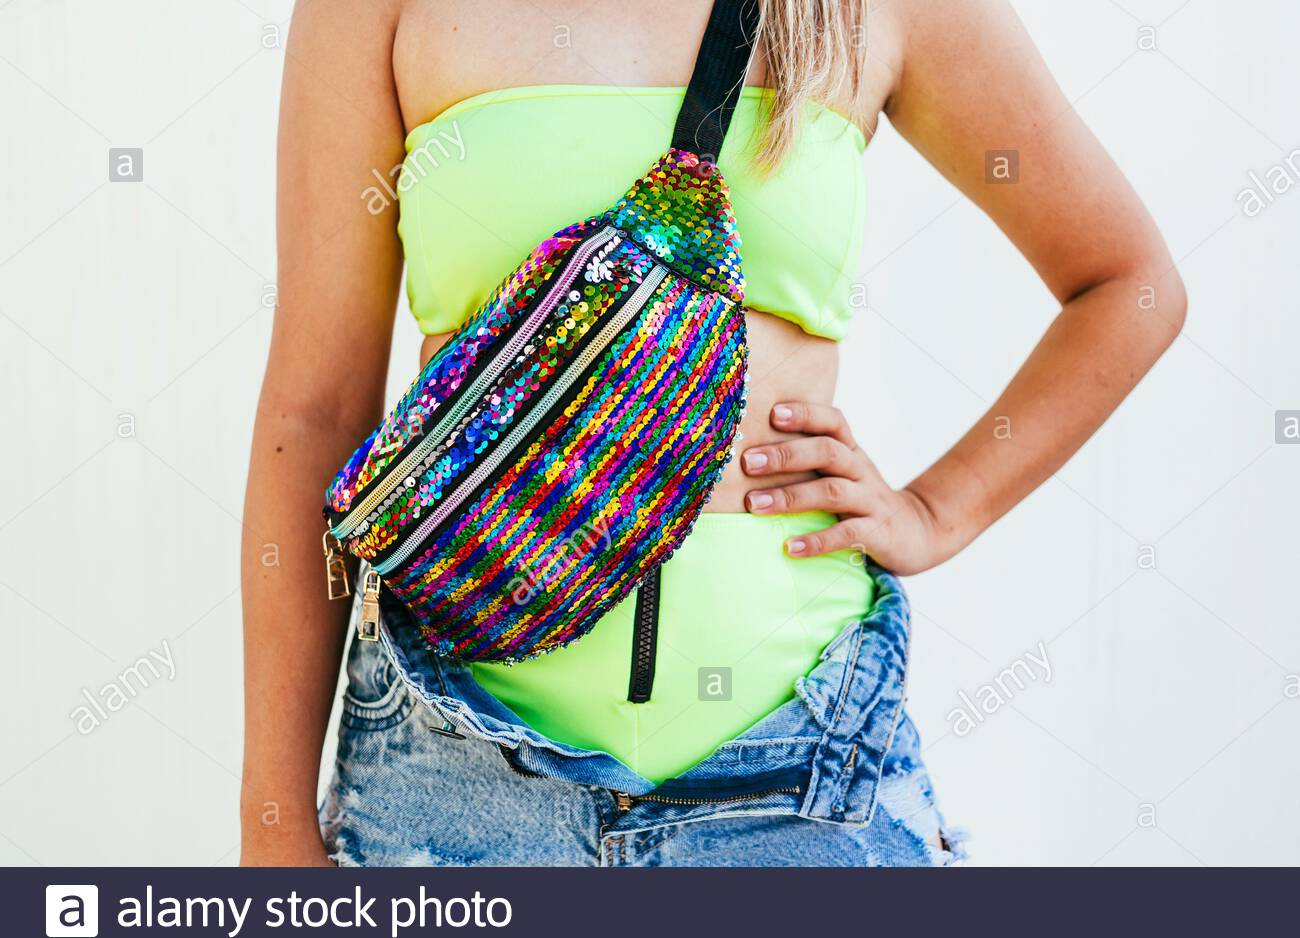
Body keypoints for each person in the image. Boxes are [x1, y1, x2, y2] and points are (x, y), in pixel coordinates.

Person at [241, 0, 1185, 866]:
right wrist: (270, 821)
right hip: (449, 777)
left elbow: (1127, 285)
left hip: (800, 779)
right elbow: (316, 411)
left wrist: (938, 510)